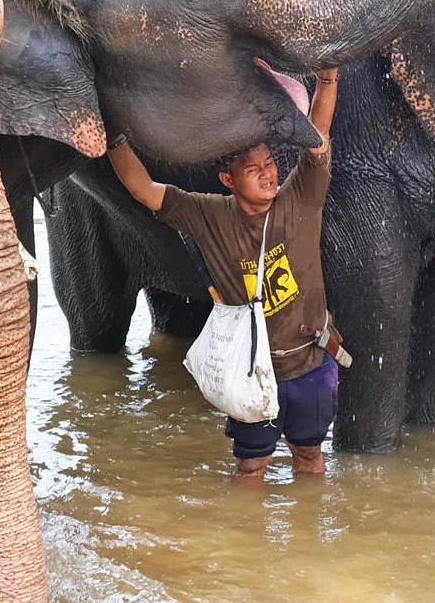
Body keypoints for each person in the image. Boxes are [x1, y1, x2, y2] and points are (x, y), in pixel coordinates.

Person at [108, 69, 345, 480]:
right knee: (251, 467)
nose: (268, 173)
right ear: (227, 180)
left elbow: (318, 135)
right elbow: (142, 188)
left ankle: (309, 540)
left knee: (309, 457)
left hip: (309, 363)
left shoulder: (300, 198)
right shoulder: (208, 215)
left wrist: (327, 82)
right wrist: (113, 136)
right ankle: (251, 541)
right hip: (249, 370)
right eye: (253, 169)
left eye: (270, 163)